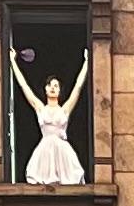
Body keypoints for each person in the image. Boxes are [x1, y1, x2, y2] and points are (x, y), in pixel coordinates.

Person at [9, 47, 90, 187]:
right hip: (45, 150)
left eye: (56, 86)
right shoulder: (40, 108)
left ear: (59, 91)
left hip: (63, 152)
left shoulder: (65, 109)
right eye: (50, 85)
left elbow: (78, 86)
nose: (53, 88)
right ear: (45, 89)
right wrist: (12, 62)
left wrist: (87, 62)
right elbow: (24, 86)